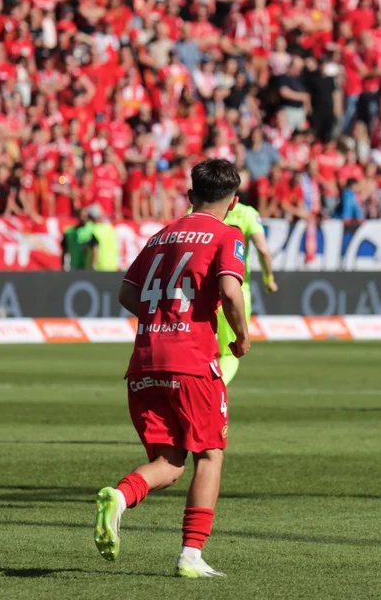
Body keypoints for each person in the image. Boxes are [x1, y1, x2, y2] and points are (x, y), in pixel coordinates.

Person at [94, 159, 250, 578]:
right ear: (233, 202)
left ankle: (120, 498)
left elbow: (127, 294)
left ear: (189, 196)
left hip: (145, 361)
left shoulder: (161, 236)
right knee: (210, 454)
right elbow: (231, 291)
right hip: (192, 361)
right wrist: (241, 335)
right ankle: (191, 555)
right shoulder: (228, 234)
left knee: (171, 461)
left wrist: (161, 314)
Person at [215, 197, 277, 385]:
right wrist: (269, 279)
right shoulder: (248, 213)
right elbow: (263, 249)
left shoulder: (197, 210)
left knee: (202, 351)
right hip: (234, 290)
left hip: (199, 293)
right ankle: (211, 392)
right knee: (229, 353)